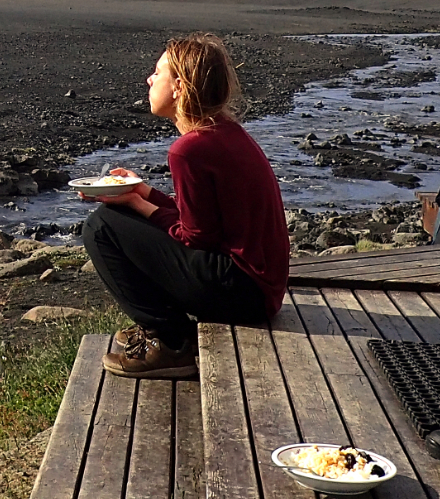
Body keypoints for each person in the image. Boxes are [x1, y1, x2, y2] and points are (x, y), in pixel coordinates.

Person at [80, 32, 290, 379]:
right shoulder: (224, 132)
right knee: (119, 216)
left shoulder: (189, 149)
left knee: (101, 226)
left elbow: (196, 237)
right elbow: (203, 222)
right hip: (261, 291)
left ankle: (170, 342)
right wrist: (143, 192)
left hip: (244, 293)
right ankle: (169, 331)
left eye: (158, 73)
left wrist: (137, 204)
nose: (149, 80)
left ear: (179, 87)